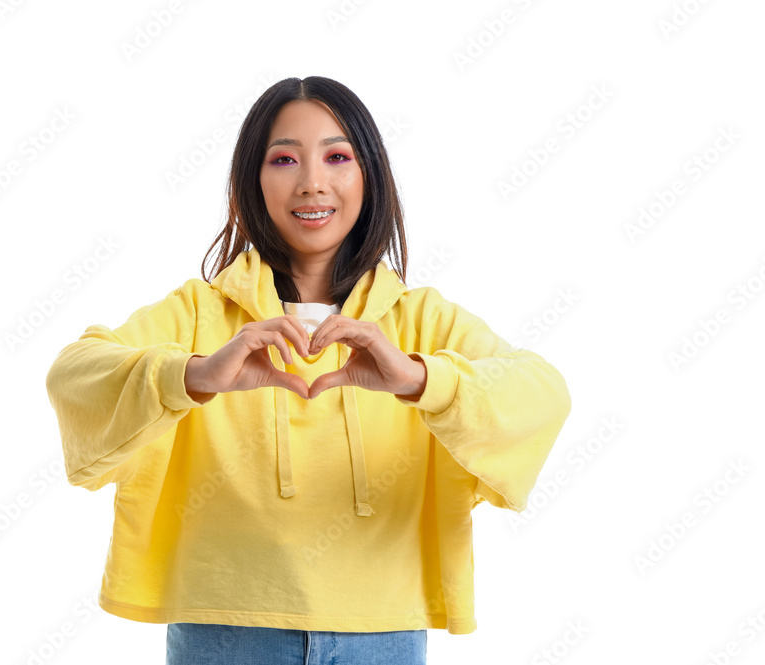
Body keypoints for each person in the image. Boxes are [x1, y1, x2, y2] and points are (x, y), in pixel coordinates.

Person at [44, 76, 573, 665]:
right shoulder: (199, 313)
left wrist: (421, 380)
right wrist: (194, 374)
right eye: (284, 158)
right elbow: (73, 373)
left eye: (338, 156)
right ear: (253, 180)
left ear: (369, 175)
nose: (312, 182)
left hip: (384, 631)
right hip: (223, 628)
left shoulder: (419, 319)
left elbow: (543, 393)